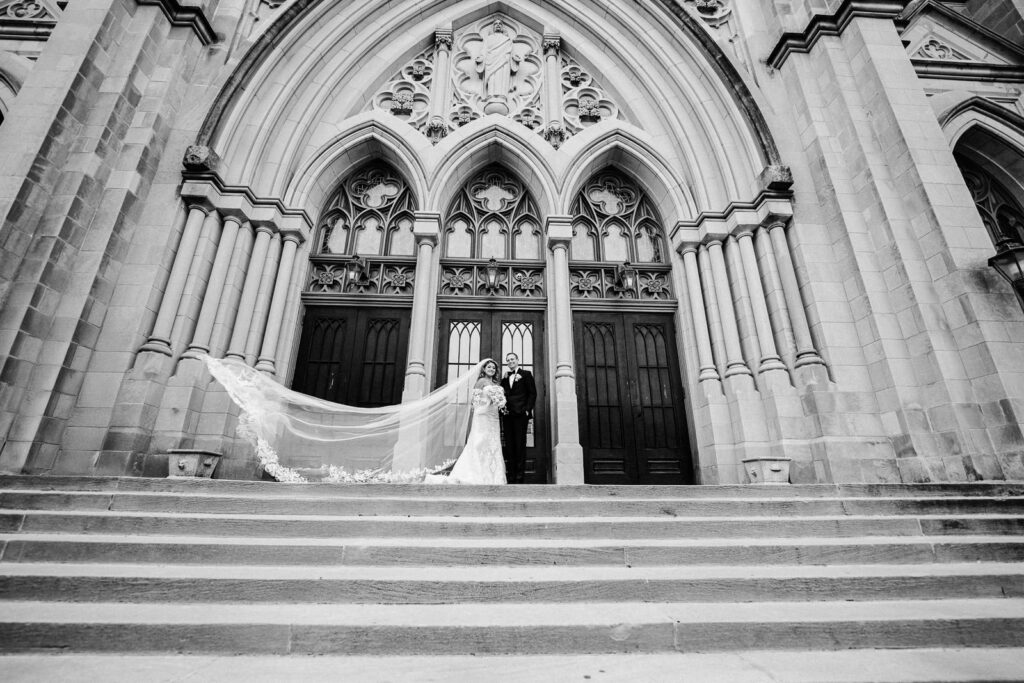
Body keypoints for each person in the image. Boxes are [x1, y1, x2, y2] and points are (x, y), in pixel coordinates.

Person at [427, 359, 507, 485]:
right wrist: (488, 404)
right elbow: (476, 402)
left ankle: (493, 477)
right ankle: (477, 475)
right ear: (484, 369)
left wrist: (500, 403)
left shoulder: (494, 383)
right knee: (479, 443)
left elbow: (496, 400)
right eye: (489, 367)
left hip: (494, 418)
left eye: (494, 368)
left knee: (493, 444)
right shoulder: (481, 382)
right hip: (483, 417)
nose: (492, 369)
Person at [500, 352, 536, 484]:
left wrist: (527, 410)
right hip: (507, 415)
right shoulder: (505, 377)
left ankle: (520, 476)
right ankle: (511, 475)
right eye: (508, 360)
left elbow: (532, 393)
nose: (510, 361)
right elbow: (502, 395)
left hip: (521, 414)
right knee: (509, 445)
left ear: (517, 360)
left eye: (512, 359)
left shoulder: (526, 374)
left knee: (520, 444)